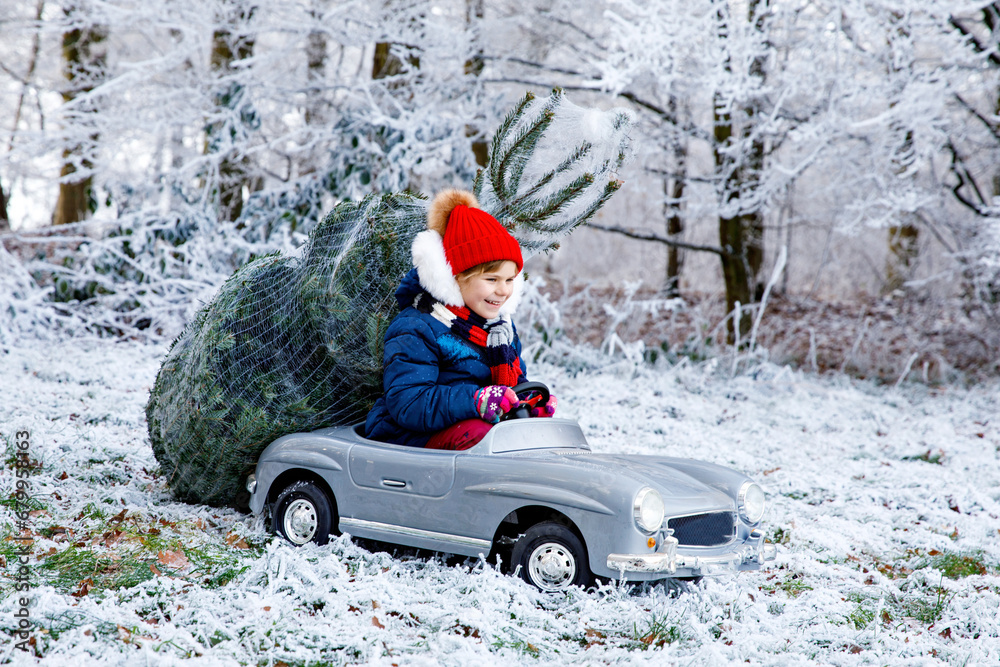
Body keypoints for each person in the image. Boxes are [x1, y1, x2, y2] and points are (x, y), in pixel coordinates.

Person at [364, 188, 556, 450]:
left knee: (532, 436)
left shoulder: (500, 330)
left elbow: (515, 382)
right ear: (456, 278)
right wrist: (476, 400)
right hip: (408, 437)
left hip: (474, 427)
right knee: (485, 438)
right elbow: (409, 401)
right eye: (491, 280)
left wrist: (530, 402)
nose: (503, 291)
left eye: (509, 280)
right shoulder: (418, 327)